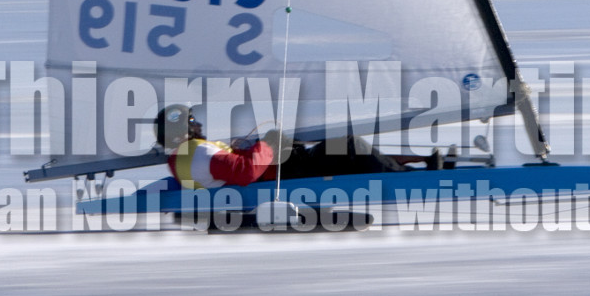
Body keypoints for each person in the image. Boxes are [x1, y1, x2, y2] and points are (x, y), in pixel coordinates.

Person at [155, 105, 434, 190]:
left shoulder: (183, 158)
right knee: (348, 147)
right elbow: (243, 174)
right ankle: (408, 178)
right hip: (281, 175)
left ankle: (418, 164)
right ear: (184, 132)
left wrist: (254, 147)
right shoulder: (197, 153)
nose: (199, 126)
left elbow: (230, 168)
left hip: (282, 167)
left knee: (346, 152)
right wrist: (267, 145)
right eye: (194, 124)